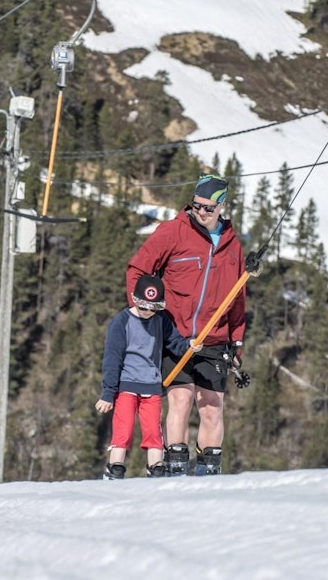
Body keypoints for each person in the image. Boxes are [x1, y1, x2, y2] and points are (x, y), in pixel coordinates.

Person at [125, 174, 246, 476]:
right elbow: (138, 269)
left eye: (208, 207)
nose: (201, 212)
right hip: (175, 335)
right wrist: (142, 314)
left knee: (212, 406)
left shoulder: (233, 247)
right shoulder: (172, 232)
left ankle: (208, 471)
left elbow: (238, 299)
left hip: (214, 339)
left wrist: (237, 341)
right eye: (197, 205)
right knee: (181, 398)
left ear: (221, 206)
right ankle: (176, 467)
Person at [96, 274, 199, 479]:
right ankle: (115, 465)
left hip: (151, 385)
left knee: (153, 430)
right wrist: (108, 393)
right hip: (126, 385)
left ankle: (156, 465)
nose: (148, 312)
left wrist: (189, 345)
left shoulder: (161, 320)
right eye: (144, 307)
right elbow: (112, 359)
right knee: (123, 428)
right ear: (135, 300)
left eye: (154, 308)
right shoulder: (121, 322)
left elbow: (175, 342)